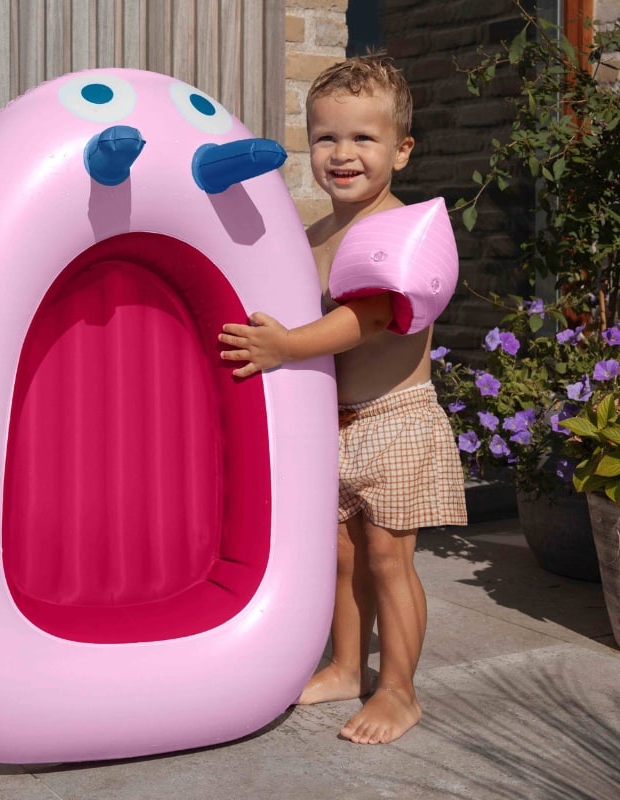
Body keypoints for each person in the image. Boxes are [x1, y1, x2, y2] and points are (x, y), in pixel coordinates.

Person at [218, 56, 467, 745]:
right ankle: (347, 667)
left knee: (389, 559)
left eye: (363, 138)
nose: (342, 153)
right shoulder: (314, 235)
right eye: (326, 138)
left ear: (402, 150)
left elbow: (374, 316)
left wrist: (286, 346)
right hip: (337, 424)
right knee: (342, 558)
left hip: (395, 420)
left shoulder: (395, 229)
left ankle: (400, 691)